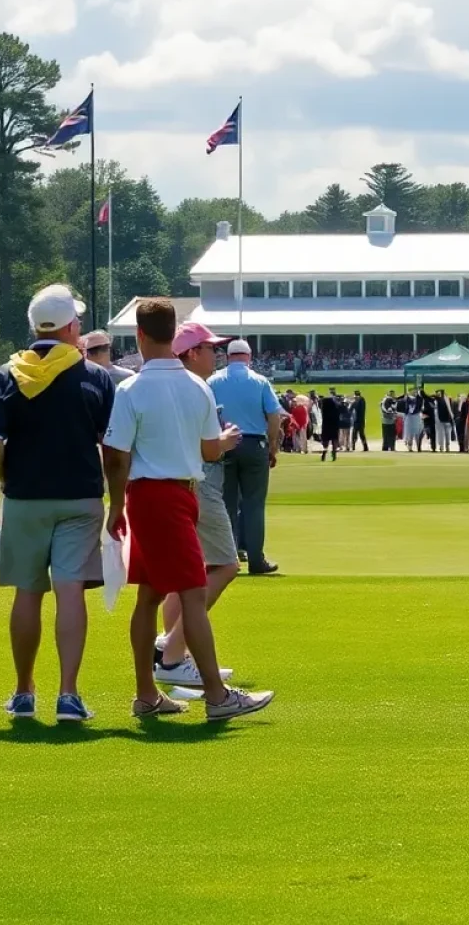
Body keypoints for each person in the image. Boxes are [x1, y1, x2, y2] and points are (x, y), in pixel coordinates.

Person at [103, 299, 273, 721]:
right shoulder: (198, 387)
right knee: (193, 595)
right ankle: (216, 696)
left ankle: (147, 695)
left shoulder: (131, 389)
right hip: (176, 494)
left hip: (147, 495)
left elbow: (116, 455)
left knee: (150, 595)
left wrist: (117, 503)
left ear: (140, 336)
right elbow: (207, 449)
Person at [0, 285, 113, 717]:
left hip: (26, 496)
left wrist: (5, 476)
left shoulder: (8, 372)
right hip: (79, 495)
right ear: (73, 327)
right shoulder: (93, 374)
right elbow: (111, 445)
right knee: (70, 590)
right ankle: (69, 695)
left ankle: (23, 692)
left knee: (28, 592)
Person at [152, 322, 244, 688]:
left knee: (186, 572)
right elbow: (203, 447)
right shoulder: (196, 388)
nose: (215, 354)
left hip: (174, 486)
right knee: (225, 566)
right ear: (191, 353)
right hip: (199, 483)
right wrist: (224, 440)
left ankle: (171, 650)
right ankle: (173, 655)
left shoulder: (166, 385)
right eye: (209, 348)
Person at [207, 338, 280, 575]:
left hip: (224, 443)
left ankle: (227, 558)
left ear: (228, 357)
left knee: (226, 503)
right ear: (248, 357)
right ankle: (256, 559)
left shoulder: (214, 380)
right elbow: (274, 416)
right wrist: (272, 447)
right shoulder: (260, 381)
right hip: (253, 443)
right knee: (254, 504)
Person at [320, 387, 340, 461]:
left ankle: (324, 452)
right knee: (334, 439)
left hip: (326, 425)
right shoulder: (336, 406)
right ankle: (334, 453)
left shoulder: (324, 406)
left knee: (326, 440)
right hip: (334, 424)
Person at [419, 387, 436, 452]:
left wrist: (421, 391)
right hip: (430, 420)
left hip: (427, 420)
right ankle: (433, 447)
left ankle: (419, 447)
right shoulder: (431, 401)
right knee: (432, 435)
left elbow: (424, 395)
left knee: (423, 434)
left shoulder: (427, 400)